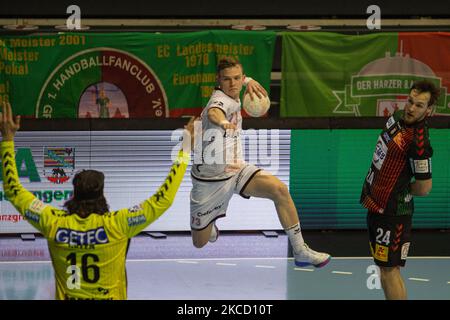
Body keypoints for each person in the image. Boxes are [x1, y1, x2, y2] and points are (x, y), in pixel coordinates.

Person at [0, 101, 195, 300]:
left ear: (73, 195)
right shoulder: (117, 224)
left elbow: (13, 191)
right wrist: (185, 148)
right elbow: (163, 199)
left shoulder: (53, 222)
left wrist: (7, 140)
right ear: (102, 195)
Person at [189, 58, 331, 268]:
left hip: (236, 169)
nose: (233, 83)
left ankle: (300, 250)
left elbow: (240, 80)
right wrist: (224, 122)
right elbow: (214, 112)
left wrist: (249, 80)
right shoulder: (219, 100)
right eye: (227, 80)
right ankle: (209, 228)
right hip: (209, 182)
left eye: (237, 78)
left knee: (280, 190)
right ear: (218, 81)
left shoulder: (236, 91)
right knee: (199, 243)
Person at [360, 80, 440, 300]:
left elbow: (424, 188)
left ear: (429, 110)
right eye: (411, 101)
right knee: (384, 268)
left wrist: (397, 190)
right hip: (375, 204)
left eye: (419, 105)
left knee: (389, 270)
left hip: (394, 214)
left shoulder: (419, 143)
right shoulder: (396, 117)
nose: (412, 108)